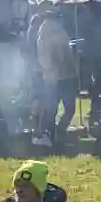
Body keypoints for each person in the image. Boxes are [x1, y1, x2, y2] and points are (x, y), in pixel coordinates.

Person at [36, 9, 79, 142]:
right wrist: (73, 68)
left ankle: (47, 134)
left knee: (51, 109)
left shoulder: (42, 31)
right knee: (69, 108)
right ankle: (57, 133)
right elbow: (63, 53)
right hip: (62, 76)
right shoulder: (56, 31)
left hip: (50, 76)